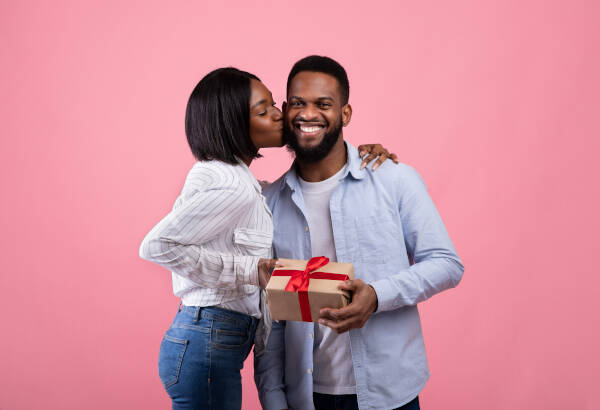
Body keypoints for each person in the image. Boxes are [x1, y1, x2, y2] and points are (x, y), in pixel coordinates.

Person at [139, 67, 397, 410]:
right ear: (234, 125)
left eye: (275, 104)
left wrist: (355, 156)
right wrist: (251, 270)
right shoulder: (231, 185)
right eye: (263, 111)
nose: (280, 115)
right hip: (207, 342)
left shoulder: (240, 182)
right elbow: (157, 246)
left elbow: (273, 197)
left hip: (206, 340)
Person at [254, 56, 465, 410]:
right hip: (306, 397)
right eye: (297, 103)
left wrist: (378, 296)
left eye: (323, 104)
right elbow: (271, 314)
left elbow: (446, 263)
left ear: (345, 114)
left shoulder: (393, 179)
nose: (308, 114)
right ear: (285, 108)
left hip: (388, 393)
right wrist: (273, 397)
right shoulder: (269, 203)